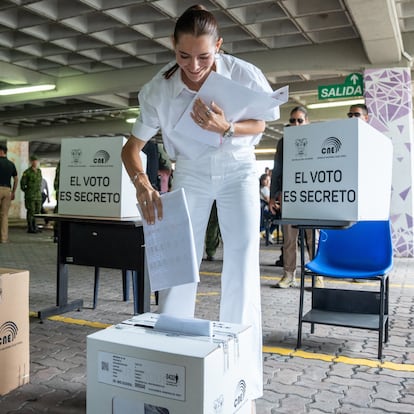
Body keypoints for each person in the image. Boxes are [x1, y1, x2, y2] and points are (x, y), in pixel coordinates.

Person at [121, 5, 279, 408]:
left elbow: (261, 122)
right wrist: (141, 183)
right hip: (189, 171)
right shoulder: (158, 88)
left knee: (241, 264)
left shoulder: (244, 74)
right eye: (184, 55)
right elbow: (132, 149)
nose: (194, 66)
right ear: (173, 47)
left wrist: (225, 127)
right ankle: (172, 374)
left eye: (204, 57)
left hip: (239, 169)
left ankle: (241, 377)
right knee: (180, 265)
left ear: (220, 48)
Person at [269, 107, 324, 288]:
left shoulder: (317, 139)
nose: (296, 124)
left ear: (307, 121)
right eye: (292, 120)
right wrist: (272, 197)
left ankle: (318, 276)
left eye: (299, 120)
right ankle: (289, 275)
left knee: (312, 238)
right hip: (288, 197)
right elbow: (277, 170)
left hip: (311, 196)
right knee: (289, 239)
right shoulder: (283, 142)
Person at [0, 143, 18, 243]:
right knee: (4, 215)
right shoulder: (11, 164)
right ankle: (3, 238)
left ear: (1, 151)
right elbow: (16, 179)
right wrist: (13, 192)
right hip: (7, 191)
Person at [20, 154, 43, 233]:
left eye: (36, 161)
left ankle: (35, 226)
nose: (35, 162)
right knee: (31, 211)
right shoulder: (27, 172)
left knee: (37, 211)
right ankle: (30, 227)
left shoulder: (39, 171)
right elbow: (22, 185)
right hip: (30, 196)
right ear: (31, 162)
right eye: (34, 161)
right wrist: (28, 191)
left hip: (38, 195)